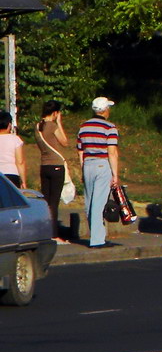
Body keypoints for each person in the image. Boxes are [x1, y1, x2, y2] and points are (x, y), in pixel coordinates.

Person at [77, 96, 119, 249]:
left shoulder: (83, 127)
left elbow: (80, 151)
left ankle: (96, 234)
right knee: (99, 202)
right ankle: (97, 239)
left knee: (89, 202)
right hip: (102, 165)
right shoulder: (110, 127)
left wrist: (83, 169)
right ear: (105, 110)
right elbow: (112, 152)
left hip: (88, 164)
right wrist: (115, 174)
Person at [35, 100, 69, 243]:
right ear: (55, 113)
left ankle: (45, 232)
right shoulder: (52, 125)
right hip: (56, 165)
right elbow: (65, 142)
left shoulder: (37, 126)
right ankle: (54, 235)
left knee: (46, 201)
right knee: (54, 202)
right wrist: (59, 123)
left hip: (44, 166)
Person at [0, 110, 26, 188]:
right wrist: (23, 181)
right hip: (11, 174)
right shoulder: (15, 139)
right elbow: (20, 162)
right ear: (9, 125)